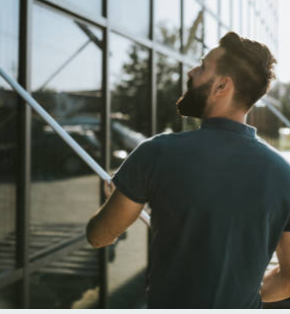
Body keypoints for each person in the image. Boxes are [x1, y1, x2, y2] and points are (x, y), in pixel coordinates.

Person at [86, 31, 290, 308]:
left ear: (221, 87)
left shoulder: (157, 153)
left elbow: (100, 236)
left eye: (203, 67)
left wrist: (111, 200)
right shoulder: (284, 174)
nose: (191, 72)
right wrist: (243, 297)